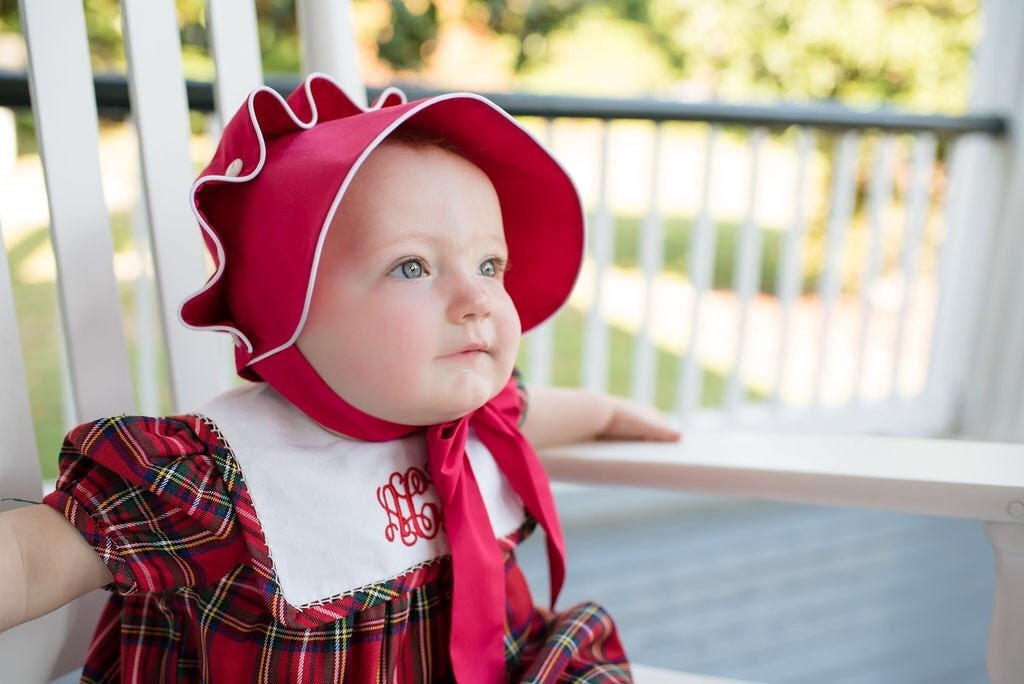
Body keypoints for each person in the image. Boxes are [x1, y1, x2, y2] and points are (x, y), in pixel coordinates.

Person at [0, 73, 680, 682]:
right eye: (412, 266)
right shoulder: (223, 479)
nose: (478, 298)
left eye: (490, 266)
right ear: (292, 311)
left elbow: (530, 411)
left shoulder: (472, 418)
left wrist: (608, 414)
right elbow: (30, 565)